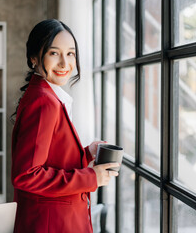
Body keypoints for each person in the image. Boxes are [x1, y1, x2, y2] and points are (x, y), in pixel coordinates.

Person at [11, 19, 119, 233]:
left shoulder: (46, 96)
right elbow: (26, 175)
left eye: (70, 53)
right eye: (54, 53)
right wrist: (91, 177)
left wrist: (87, 153)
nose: (64, 63)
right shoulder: (45, 102)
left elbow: (48, 156)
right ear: (34, 58)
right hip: (53, 224)